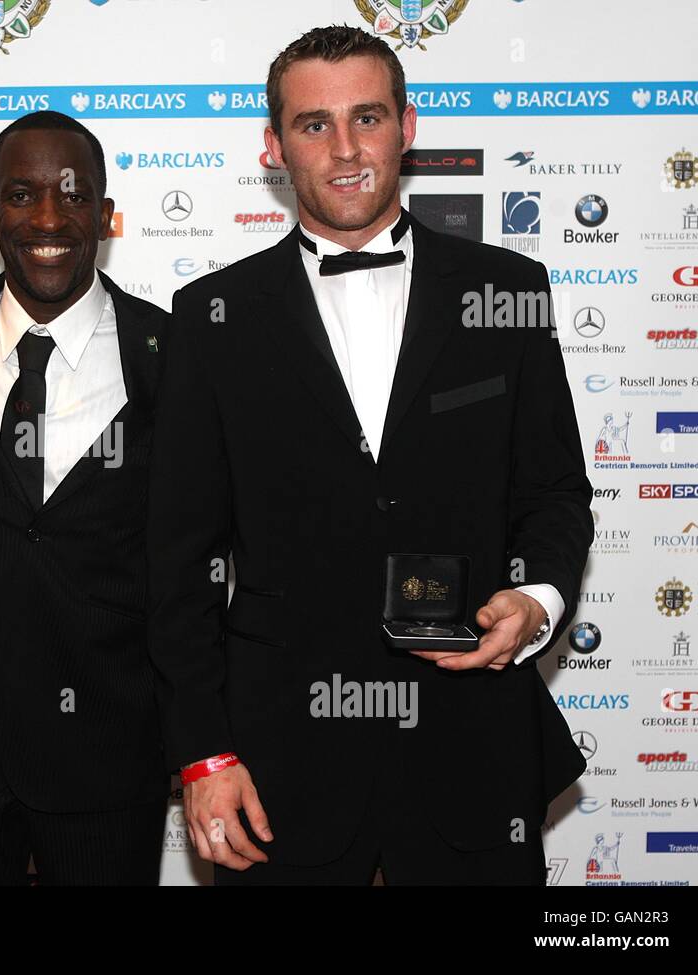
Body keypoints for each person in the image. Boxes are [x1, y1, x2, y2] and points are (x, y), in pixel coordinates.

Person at [147, 26, 593, 885]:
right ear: (274, 148)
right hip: (280, 767)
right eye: (314, 125)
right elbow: (179, 563)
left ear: (407, 126)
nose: (346, 149)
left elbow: (554, 490)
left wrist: (537, 600)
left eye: (367, 118)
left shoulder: (507, 288)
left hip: (471, 744)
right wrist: (203, 755)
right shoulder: (211, 316)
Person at [0, 112, 170, 885]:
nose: (48, 219)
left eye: (73, 196)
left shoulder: (175, 357)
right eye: (21, 195)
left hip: (110, 757)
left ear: (106, 215)